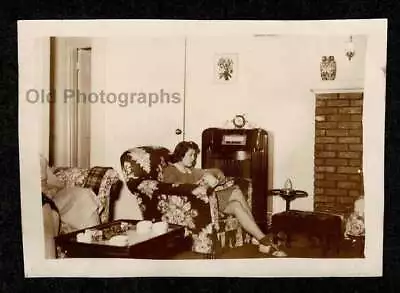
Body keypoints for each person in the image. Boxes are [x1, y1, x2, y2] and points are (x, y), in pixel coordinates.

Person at [162, 141, 286, 256]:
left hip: (210, 201)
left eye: (195, 155)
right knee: (236, 191)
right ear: (180, 155)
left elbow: (214, 171)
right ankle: (262, 239)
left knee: (237, 205)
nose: (194, 158)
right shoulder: (171, 171)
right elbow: (171, 188)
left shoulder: (191, 170)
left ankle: (259, 237)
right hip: (200, 205)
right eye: (191, 155)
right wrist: (199, 185)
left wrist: (213, 175)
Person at [40, 155, 101, 258]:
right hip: (34, 203)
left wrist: (49, 190)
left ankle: (96, 250)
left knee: (84, 195)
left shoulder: (39, 158)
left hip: (47, 199)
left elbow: (57, 185)